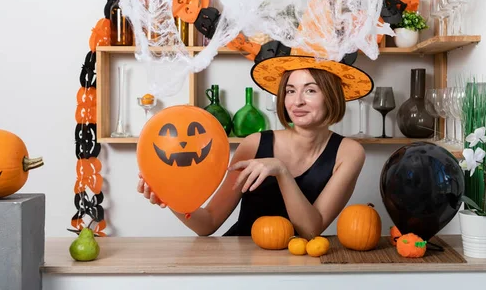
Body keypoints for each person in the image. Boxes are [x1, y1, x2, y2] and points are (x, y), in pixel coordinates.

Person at [137, 49, 374, 239]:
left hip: (301, 264)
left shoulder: (349, 153)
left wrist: (280, 171)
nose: (297, 101)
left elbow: (311, 230)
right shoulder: (254, 144)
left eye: (310, 90)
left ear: (332, 95)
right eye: (290, 91)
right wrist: (172, 198)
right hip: (242, 262)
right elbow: (207, 224)